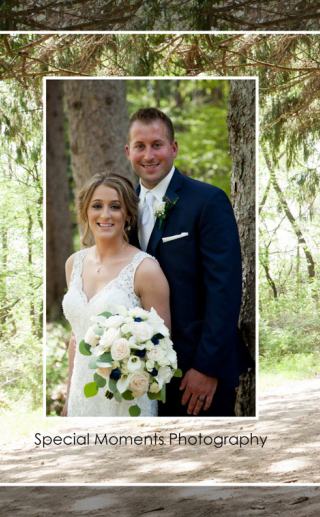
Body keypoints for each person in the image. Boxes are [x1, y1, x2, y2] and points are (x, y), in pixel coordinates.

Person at [126, 107, 249, 417]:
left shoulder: (207, 201)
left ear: (174, 148)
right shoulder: (120, 207)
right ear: (128, 152)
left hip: (197, 372)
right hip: (141, 375)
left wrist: (207, 368)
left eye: (157, 144)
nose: (149, 154)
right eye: (140, 146)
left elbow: (224, 288)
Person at [62, 173, 171, 417]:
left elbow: (162, 345)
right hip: (82, 393)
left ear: (128, 215)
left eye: (115, 207)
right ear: (85, 212)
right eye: (97, 206)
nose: (105, 215)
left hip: (125, 397)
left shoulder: (145, 269)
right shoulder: (73, 264)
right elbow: (74, 338)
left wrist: (128, 370)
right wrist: (69, 398)